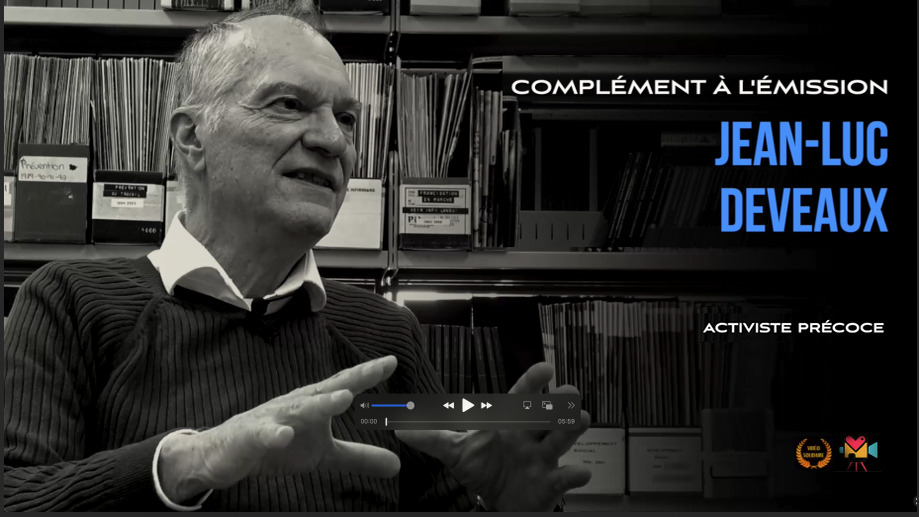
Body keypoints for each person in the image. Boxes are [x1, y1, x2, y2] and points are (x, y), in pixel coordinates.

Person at [3, 2, 591, 511]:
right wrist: (191, 462)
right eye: (289, 104)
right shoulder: (71, 304)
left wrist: (499, 505)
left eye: (346, 118)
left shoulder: (386, 337)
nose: (333, 140)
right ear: (192, 137)